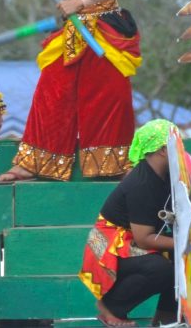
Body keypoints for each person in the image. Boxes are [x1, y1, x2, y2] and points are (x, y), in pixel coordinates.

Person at [0, 0, 140, 182]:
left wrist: (80, 2)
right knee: (51, 92)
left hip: (105, 29)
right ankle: (34, 162)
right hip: (73, 31)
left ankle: (113, 163)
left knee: (111, 95)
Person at [79, 119, 177, 327]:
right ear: (162, 150)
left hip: (131, 240)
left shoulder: (166, 175)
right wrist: (185, 243)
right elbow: (144, 239)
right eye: (177, 143)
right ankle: (111, 308)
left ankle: (166, 318)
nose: (181, 150)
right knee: (161, 268)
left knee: (184, 259)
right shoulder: (142, 183)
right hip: (110, 245)